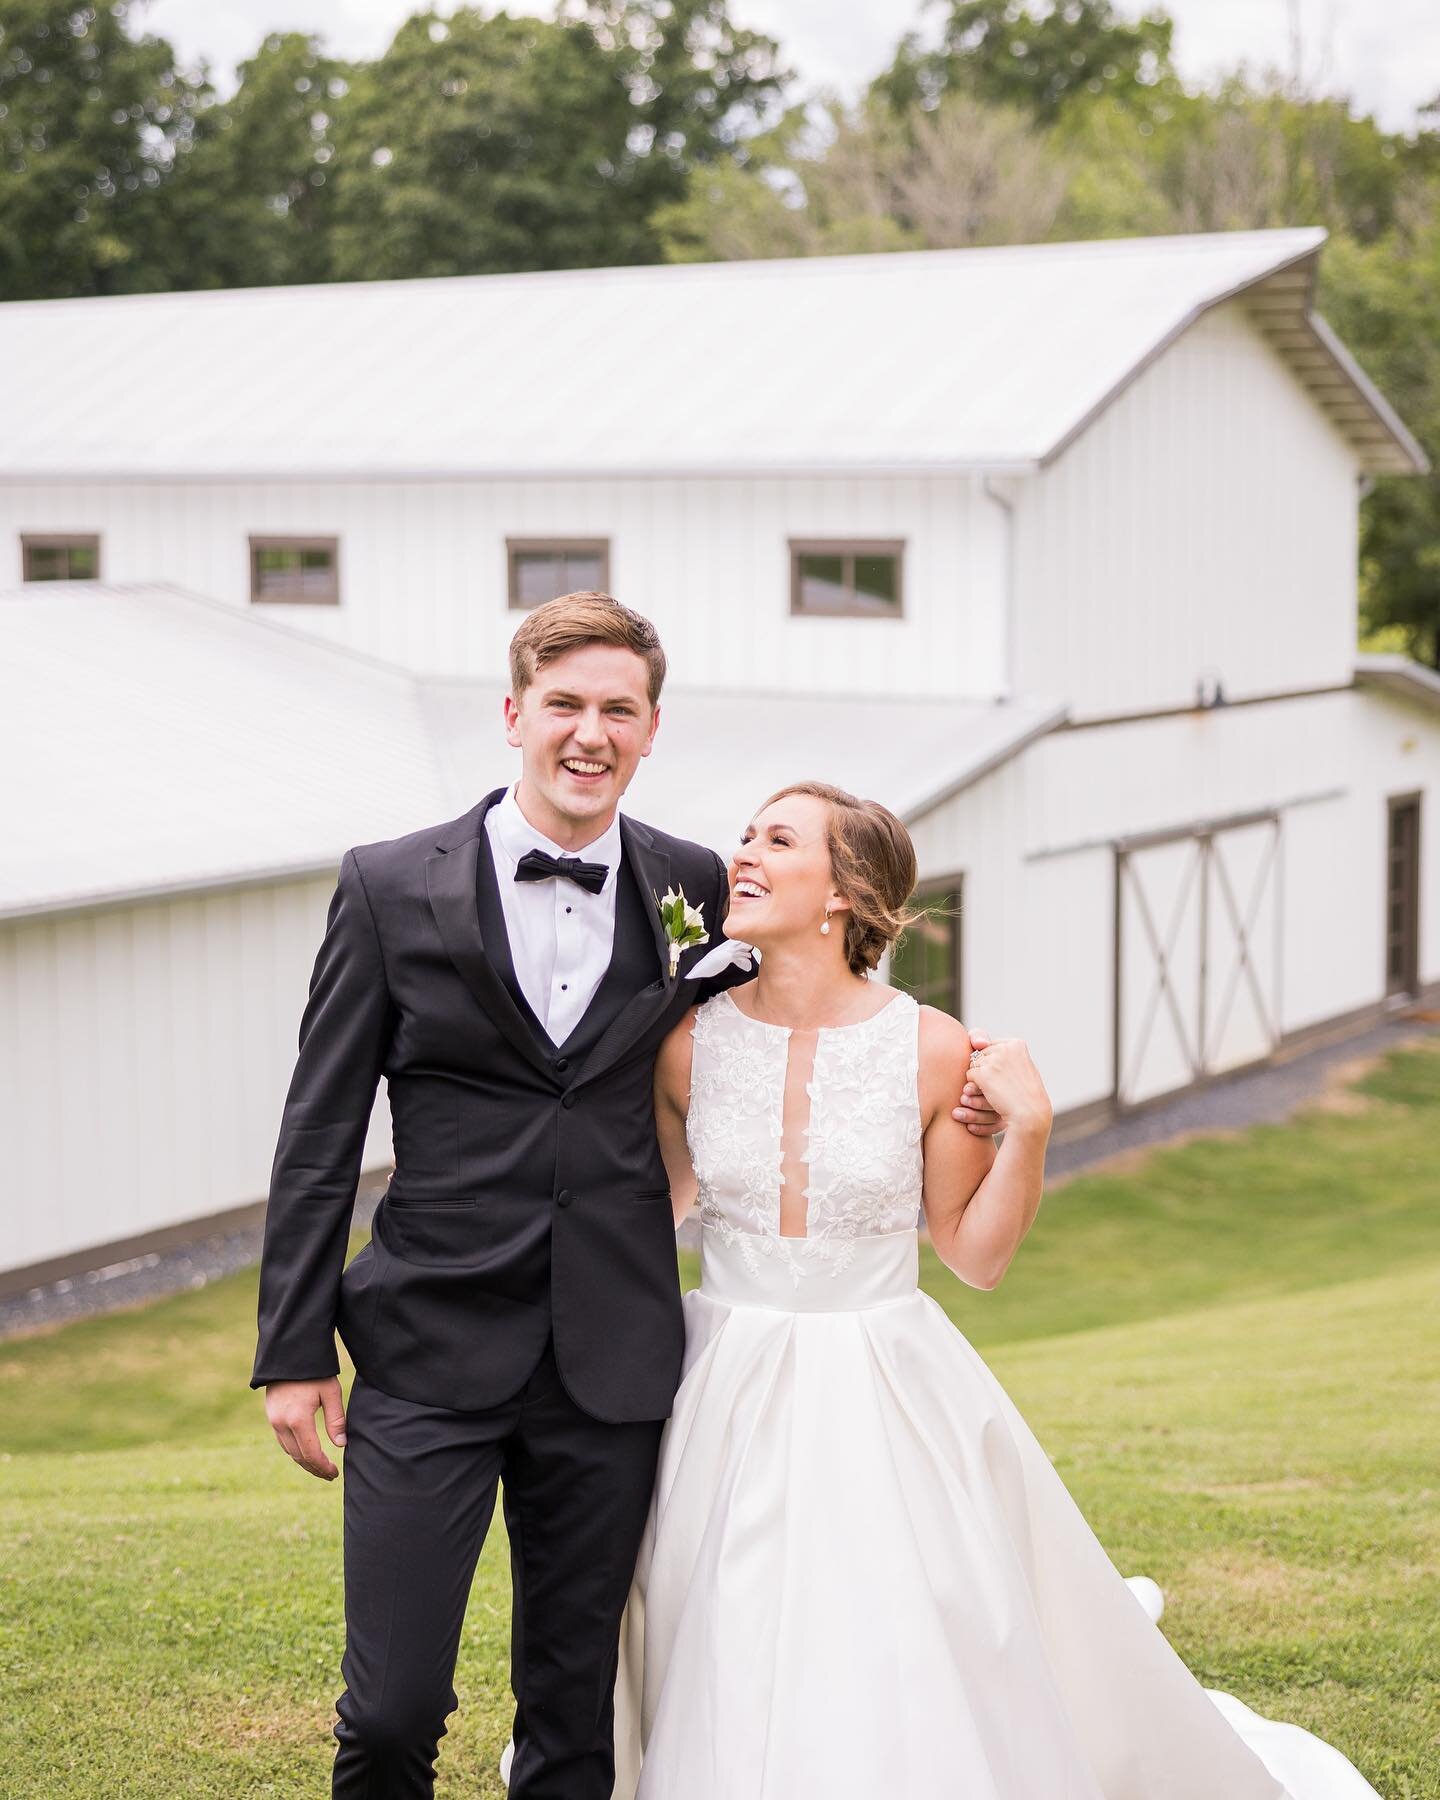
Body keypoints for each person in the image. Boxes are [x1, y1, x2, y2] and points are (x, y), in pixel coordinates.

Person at [249, 592, 1003, 1798]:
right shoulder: (389, 886)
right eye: (564, 705)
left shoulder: (702, 884)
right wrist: (292, 1350)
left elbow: (813, 1001)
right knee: (392, 1710)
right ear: (513, 715)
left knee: (579, 1702)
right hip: (426, 1344)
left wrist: (956, 1097)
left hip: (614, 1364)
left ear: (652, 730)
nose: (589, 732)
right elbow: (318, 1129)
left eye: (619, 709)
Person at [607, 780, 1382, 1800]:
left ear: (844, 891)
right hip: (720, 1384)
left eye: (777, 840)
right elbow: (649, 1216)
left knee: (893, 1617)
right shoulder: (686, 1044)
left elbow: (973, 1254)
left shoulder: (930, 1049)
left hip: (881, 1381)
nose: (740, 855)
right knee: (724, 1610)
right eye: (745, 834)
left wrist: (1033, 1131)